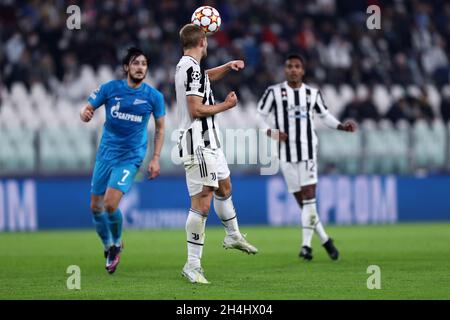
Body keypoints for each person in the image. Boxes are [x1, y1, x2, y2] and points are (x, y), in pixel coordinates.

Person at [175, 24, 258, 284]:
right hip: (198, 141)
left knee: (224, 186)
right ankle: (192, 265)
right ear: (202, 41)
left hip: (210, 141)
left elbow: (204, 76)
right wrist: (227, 105)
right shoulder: (190, 68)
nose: (208, 44)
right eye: (207, 40)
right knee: (203, 199)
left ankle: (232, 234)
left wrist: (227, 66)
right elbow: (196, 110)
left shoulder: (189, 66)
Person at [257, 53, 357, 261]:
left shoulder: (312, 94)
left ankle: (305, 246)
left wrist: (341, 126)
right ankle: (326, 240)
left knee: (309, 198)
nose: (293, 69)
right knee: (304, 204)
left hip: (308, 152)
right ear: (285, 70)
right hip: (285, 155)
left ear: (303, 70)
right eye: (289, 66)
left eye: (297, 66)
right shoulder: (273, 92)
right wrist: (271, 132)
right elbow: (259, 117)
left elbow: (324, 116)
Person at [79, 47, 166, 274]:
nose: (140, 67)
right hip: (106, 155)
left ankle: (117, 244)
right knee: (95, 208)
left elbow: (160, 129)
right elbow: (86, 108)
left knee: (110, 204)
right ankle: (108, 246)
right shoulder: (110, 89)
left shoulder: (154, 97)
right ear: (126, 67)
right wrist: (85, 114)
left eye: (144, 64)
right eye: (136, 63)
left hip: (130, 158)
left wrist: (155, 158)